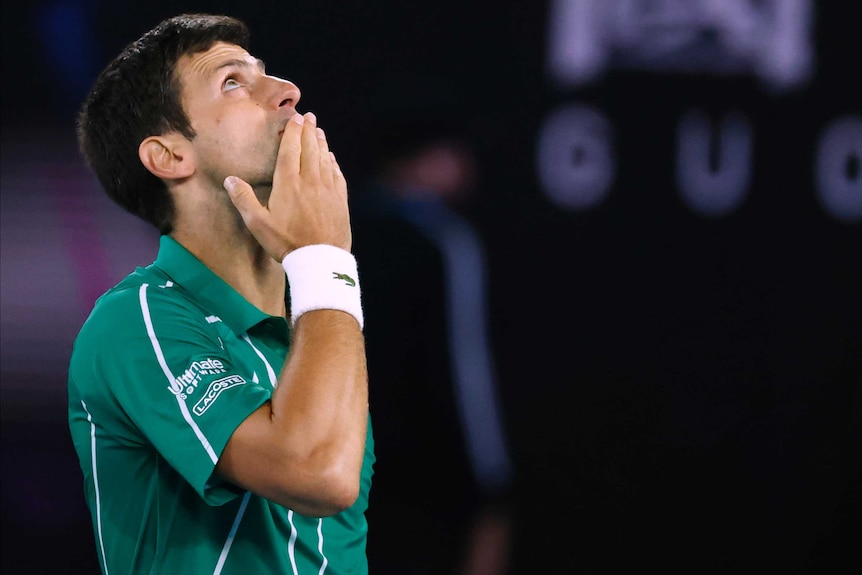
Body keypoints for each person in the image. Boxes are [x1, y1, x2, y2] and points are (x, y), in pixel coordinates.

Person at [67, 13, 373, 574]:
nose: (287, 92)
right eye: (233, 81)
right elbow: (318, 472)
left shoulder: (318, 320)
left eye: (266, 73)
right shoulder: (136, 321)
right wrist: (325, 259)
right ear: (168, 155)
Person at [352, 117, 515, 575]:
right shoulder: (443, 242)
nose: (465, 166)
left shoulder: (327, 229)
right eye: (451, 151)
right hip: (421, 489)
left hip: (329, 478)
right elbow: (466, 375)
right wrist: (492, 490)